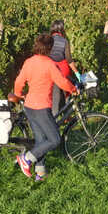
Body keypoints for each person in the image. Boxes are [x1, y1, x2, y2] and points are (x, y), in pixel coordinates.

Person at [12, 33, 77, 181]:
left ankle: (40, 173)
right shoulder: (49, 64)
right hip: (41, 107)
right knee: (55, 139)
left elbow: (19, 81)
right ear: (50, 48)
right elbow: (61, 82)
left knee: (41, 140)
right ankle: (26, 159)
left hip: (29, 106)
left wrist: (18, 93)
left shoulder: (29, 62)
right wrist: (73, 89)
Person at [49, 19, 80, 116]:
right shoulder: (64, 41)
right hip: (63, 71)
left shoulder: (48, 40)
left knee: (54, 97)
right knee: (64, 94)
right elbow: (69, 60)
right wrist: (77, 73)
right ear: (62, 29)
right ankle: (65, 116)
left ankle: (55, 117)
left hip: (50, 71)